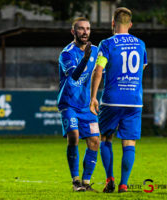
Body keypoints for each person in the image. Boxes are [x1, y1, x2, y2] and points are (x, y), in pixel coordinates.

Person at [90, 7, 148, 193]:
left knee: (105, 137)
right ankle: (124, 184)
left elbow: (98, 70)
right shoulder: (140, 44)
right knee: (129, 142)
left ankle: (109, 179)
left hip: (112, 99)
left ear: (113, 23)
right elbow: (141, 67)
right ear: (130, 24)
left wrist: (92, 97)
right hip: (134, 100)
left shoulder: (107, 44)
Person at [58, 17, 100, 192]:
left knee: (95, 141)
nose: (85, 32)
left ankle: (86, 182)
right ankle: (75, 181)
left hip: (86, 105)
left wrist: (94, 98)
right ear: (73, 32)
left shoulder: (95, 51)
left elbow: (97, 74)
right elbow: (74, 76)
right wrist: (85, 59)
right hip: (68, 103)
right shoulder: (66, 53)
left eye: (88, 29)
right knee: (74, 136)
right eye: (81, 29)